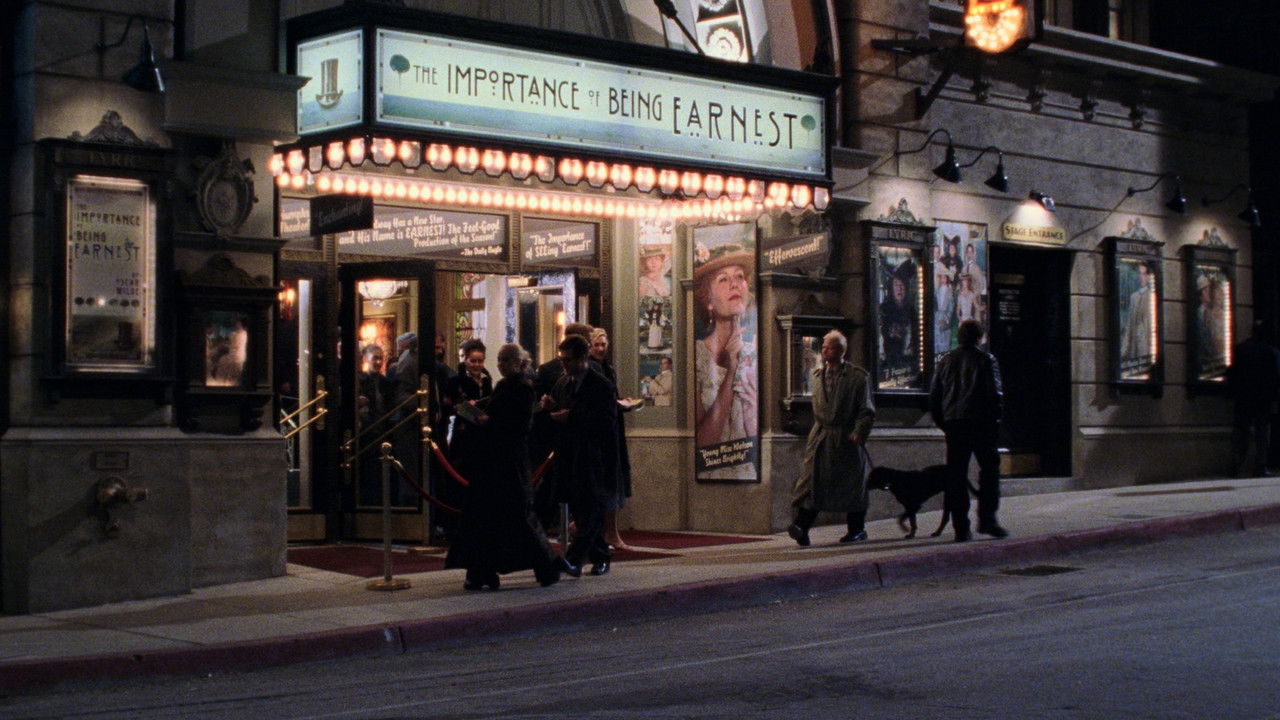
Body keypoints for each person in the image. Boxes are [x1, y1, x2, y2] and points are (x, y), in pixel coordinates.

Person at [444, 344, 562, 590]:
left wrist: (487, 421)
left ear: (519, 362)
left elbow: (518, 426)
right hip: (494, 462)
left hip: (508, 463)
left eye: (506, 360)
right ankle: (482, 572)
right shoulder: (504, 386)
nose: (501, 365)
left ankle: (544, 567)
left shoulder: (523, 389)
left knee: (514, 517)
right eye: (499, 360)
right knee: (487, 518)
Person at [788, 330, 875, 546]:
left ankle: (857, 529)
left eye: (830, 347)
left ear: (841, 351)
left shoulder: (858, 378)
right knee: (813, 482)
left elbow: (866, 410)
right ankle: (802, 527)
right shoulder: (817, 375)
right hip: (822, 437)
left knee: (852, 485)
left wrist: (859, 431)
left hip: (846, 438)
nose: (825, 350)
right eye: (824, 346)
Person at [542, 334, 618, 577]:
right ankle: (601, 556)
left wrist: (571, 416)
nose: (564, 364)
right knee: (581, 509)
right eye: (562, 359)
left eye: (568, 360)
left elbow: (606, 421)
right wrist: (551, 407)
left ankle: (574, 560)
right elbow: (559, 409)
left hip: (592, 456)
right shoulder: (565, 383)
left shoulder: (600, 385)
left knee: (591, 510)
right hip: (569, 454)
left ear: (583, 357)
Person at [929, 319, 1006, 542]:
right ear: (979, 338)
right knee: (989, 471)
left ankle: (961, 527)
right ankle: (987, 519)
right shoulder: (986, 359)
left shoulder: (945, 361)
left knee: (956, 476)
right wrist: (995, 420)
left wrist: (944, 423)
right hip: (981, 423)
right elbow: (995, 394)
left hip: (955, 424)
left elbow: (935, 397)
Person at [693, 243, 758, 480]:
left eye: (739, 277)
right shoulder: (696, 356)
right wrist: (731, 372)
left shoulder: (755, 354)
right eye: (723, 279)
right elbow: (702, 442)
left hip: (747, 476)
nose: (734, 284)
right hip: (709, 477)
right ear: (708, 300)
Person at [529, 321, 596, 531]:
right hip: (557, 439)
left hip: (583, 442)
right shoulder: (552, 373)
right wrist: (550, 407)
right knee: (554, 486)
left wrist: (570, 414)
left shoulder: (596, 376)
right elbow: (541, 403)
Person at [590, 328, 636, 551]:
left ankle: (604, 531)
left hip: (613, 429)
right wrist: (617, 404)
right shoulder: (592, 369)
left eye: (603, 345)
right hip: (601, 434)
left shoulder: (609, 369)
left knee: (614, 481)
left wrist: (622, 401)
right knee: (607, 483)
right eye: (597, 345)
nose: (601, 349)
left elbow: (610, 397)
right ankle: (607, 533)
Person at [1227, 320, 1280, 477]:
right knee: (1262, 435)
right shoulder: (1270, 352)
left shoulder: (1241, 349)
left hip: (1243, 398)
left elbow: (1233, 372)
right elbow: (1275, 377)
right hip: (1263, 400)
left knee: (1241, 434)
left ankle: (1236, 466)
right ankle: (1260, 467)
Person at [356, 344, 395, 506]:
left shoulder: (386, 382)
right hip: (366, 432)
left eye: (381, 358)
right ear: (365, 359)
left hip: (383, 431)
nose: (378, 362)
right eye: (375, 358)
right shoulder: (359, 381)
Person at [1121, 261, 1155, 369]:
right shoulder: (1134, 297)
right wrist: (1124, 350)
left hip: (1147, 346)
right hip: (1134, 347)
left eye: (1144, 274)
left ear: (1148, 276)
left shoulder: (1152, 296)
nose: (1141, 277)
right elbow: (1129, 325)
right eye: (1139, 274)